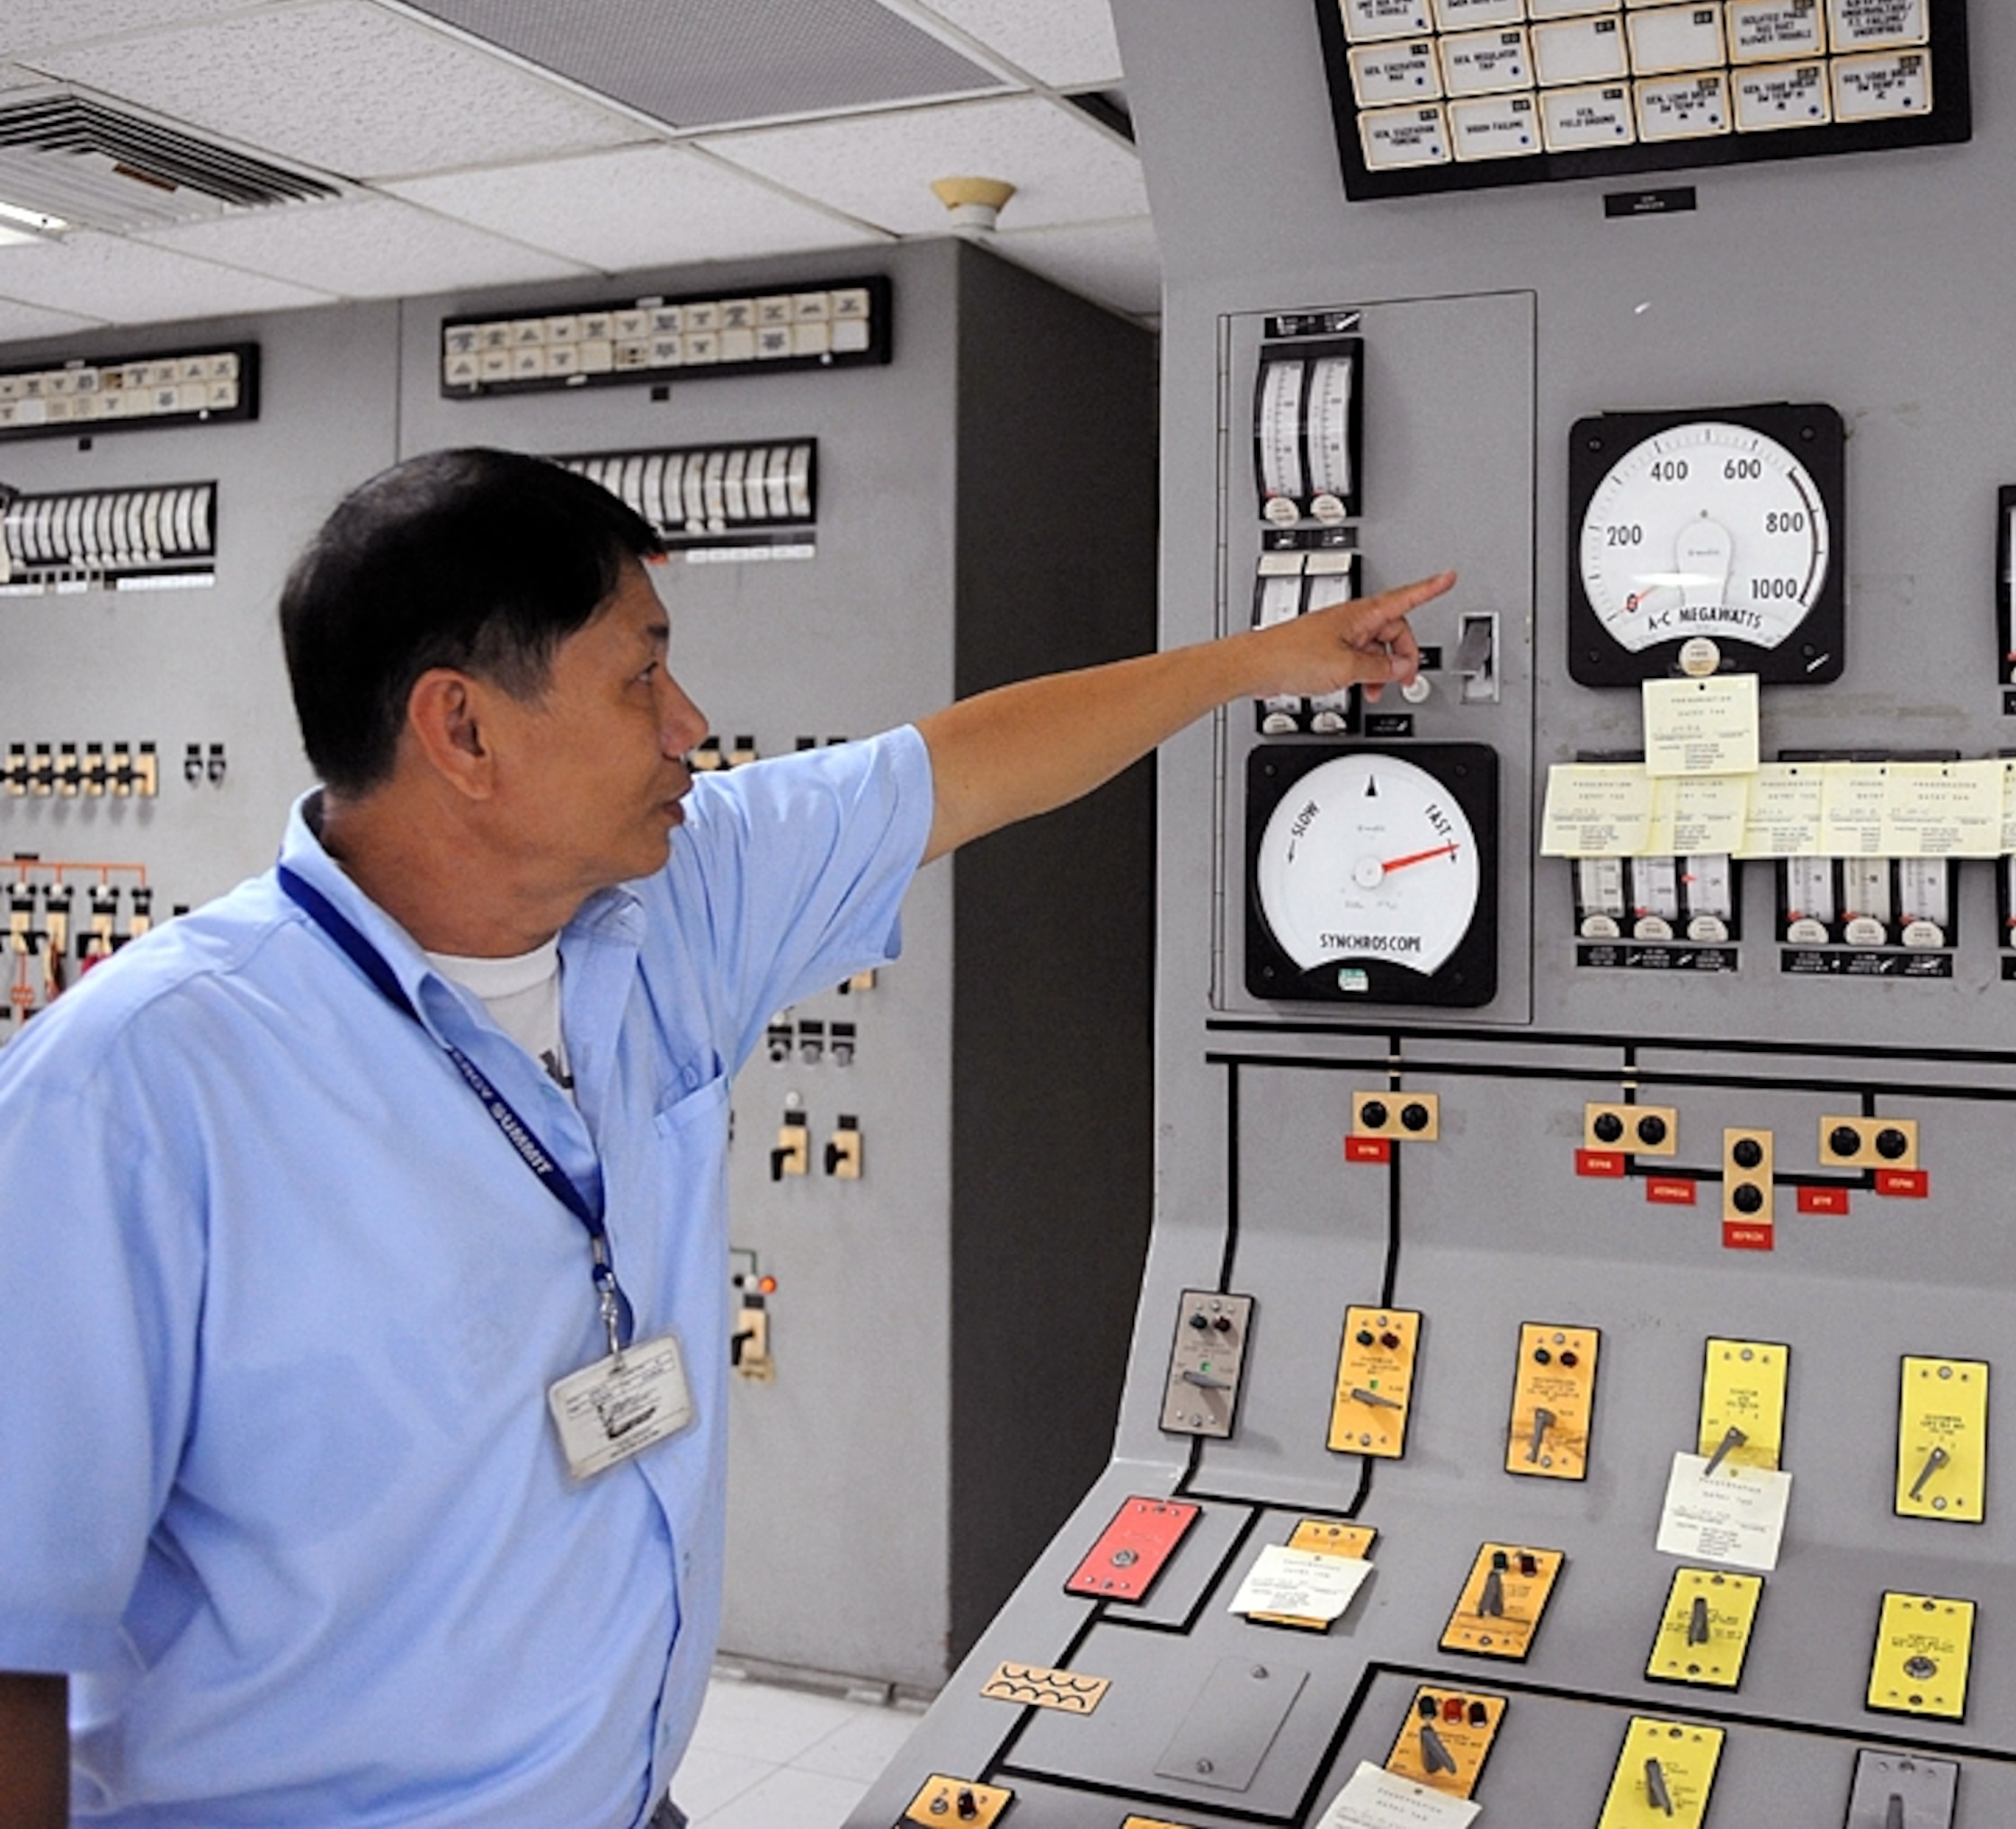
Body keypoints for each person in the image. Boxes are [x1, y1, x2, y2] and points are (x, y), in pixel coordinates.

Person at [0, 447, 1451, 1828]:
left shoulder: (670, 904)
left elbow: (962, 765)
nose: (689, 720)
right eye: (640, 673)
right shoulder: (138, 1091)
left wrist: (1264, 660)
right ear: (463, 729)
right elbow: (14, 1626)